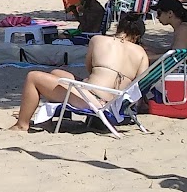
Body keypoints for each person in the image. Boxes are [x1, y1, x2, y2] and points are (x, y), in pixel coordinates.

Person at [8, 15, 151, 131]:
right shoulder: (141, 53)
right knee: (57, 73)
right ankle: (50, 119)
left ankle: (22, 124)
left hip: (92, 99)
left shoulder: (98, 40)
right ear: (137, 36)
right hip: (113, 102)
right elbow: (140, 85)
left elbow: (90, 68)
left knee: (33, 77)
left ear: (119, 27)